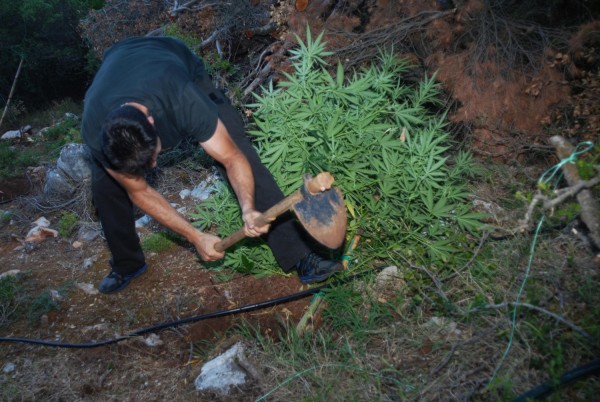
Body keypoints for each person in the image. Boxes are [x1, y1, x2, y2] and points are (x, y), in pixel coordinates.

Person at [81, 36, 344, 294]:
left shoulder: (183, 99)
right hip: (119, 62)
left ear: (152, 123)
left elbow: (231, 158)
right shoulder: (95, 129)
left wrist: (248, 208)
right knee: (106, 188)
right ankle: (127, 264)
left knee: (238, 148)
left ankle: (300, 255)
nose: (154, 165)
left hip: (172, 61)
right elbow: (139, 192)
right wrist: (196, 237)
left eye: (154, 157)